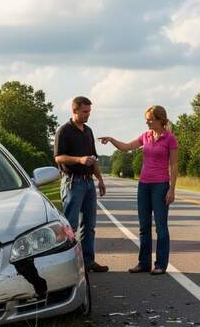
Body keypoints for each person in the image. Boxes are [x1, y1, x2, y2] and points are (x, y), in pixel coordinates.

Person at [100, 105, 178, 275]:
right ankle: (144, 263)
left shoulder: (170, 138)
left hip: (160, 185)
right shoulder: (146, 136)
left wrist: (171, 189)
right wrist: (111, 139)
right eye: (147, 119)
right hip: (143, 185)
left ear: (160, 120)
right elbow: (127, 147)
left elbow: (174, 164)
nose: (147, 122)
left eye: (150, 119)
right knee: (144, 226)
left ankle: (160, 265)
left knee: (161, 227)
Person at [54, 96, 109, 273]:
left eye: (89, 112)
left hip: (88, 183)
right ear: (75, 110)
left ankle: (88, 261)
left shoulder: (88, 131)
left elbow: (93, 159)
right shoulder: (64, 131)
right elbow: (58, 157)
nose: (87, 115)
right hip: (72, 183)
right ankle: (67, 265)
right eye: (85, 112)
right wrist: (79, 159)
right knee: (70, 226)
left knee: (89, 225)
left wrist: (99, 179)